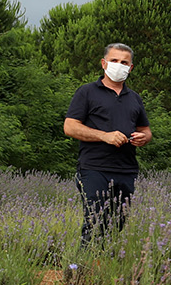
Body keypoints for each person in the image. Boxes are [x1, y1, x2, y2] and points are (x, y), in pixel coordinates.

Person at [63, 42, 152, 246]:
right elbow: (70, 127)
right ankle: (83, 271)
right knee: (95, 222)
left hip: (126, 169)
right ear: (103, 63)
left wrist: (143, 138)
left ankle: (106, 267)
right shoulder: (87, 92)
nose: (119, 65)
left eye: (124, 62)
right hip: (94, 168)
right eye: (114, 61)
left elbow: (146, 130)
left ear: (130, 68)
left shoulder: (135, 98)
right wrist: (105, 136)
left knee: (117, 224)